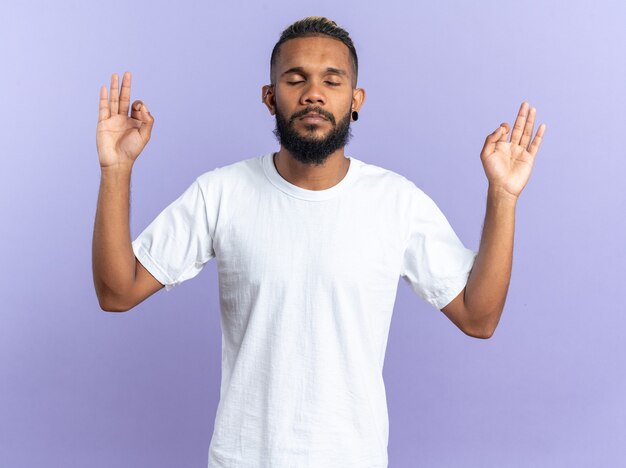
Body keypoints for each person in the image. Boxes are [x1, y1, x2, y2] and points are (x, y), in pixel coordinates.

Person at [92, 16, 546, 468]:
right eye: (295, 79)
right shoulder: (221, 193)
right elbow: (118, 291)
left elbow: (478, 316)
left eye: (332, 80)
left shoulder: (397, 201)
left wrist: (502, 196)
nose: (313, 93)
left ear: (355, 100)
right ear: (270, 98)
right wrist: (117, 170)